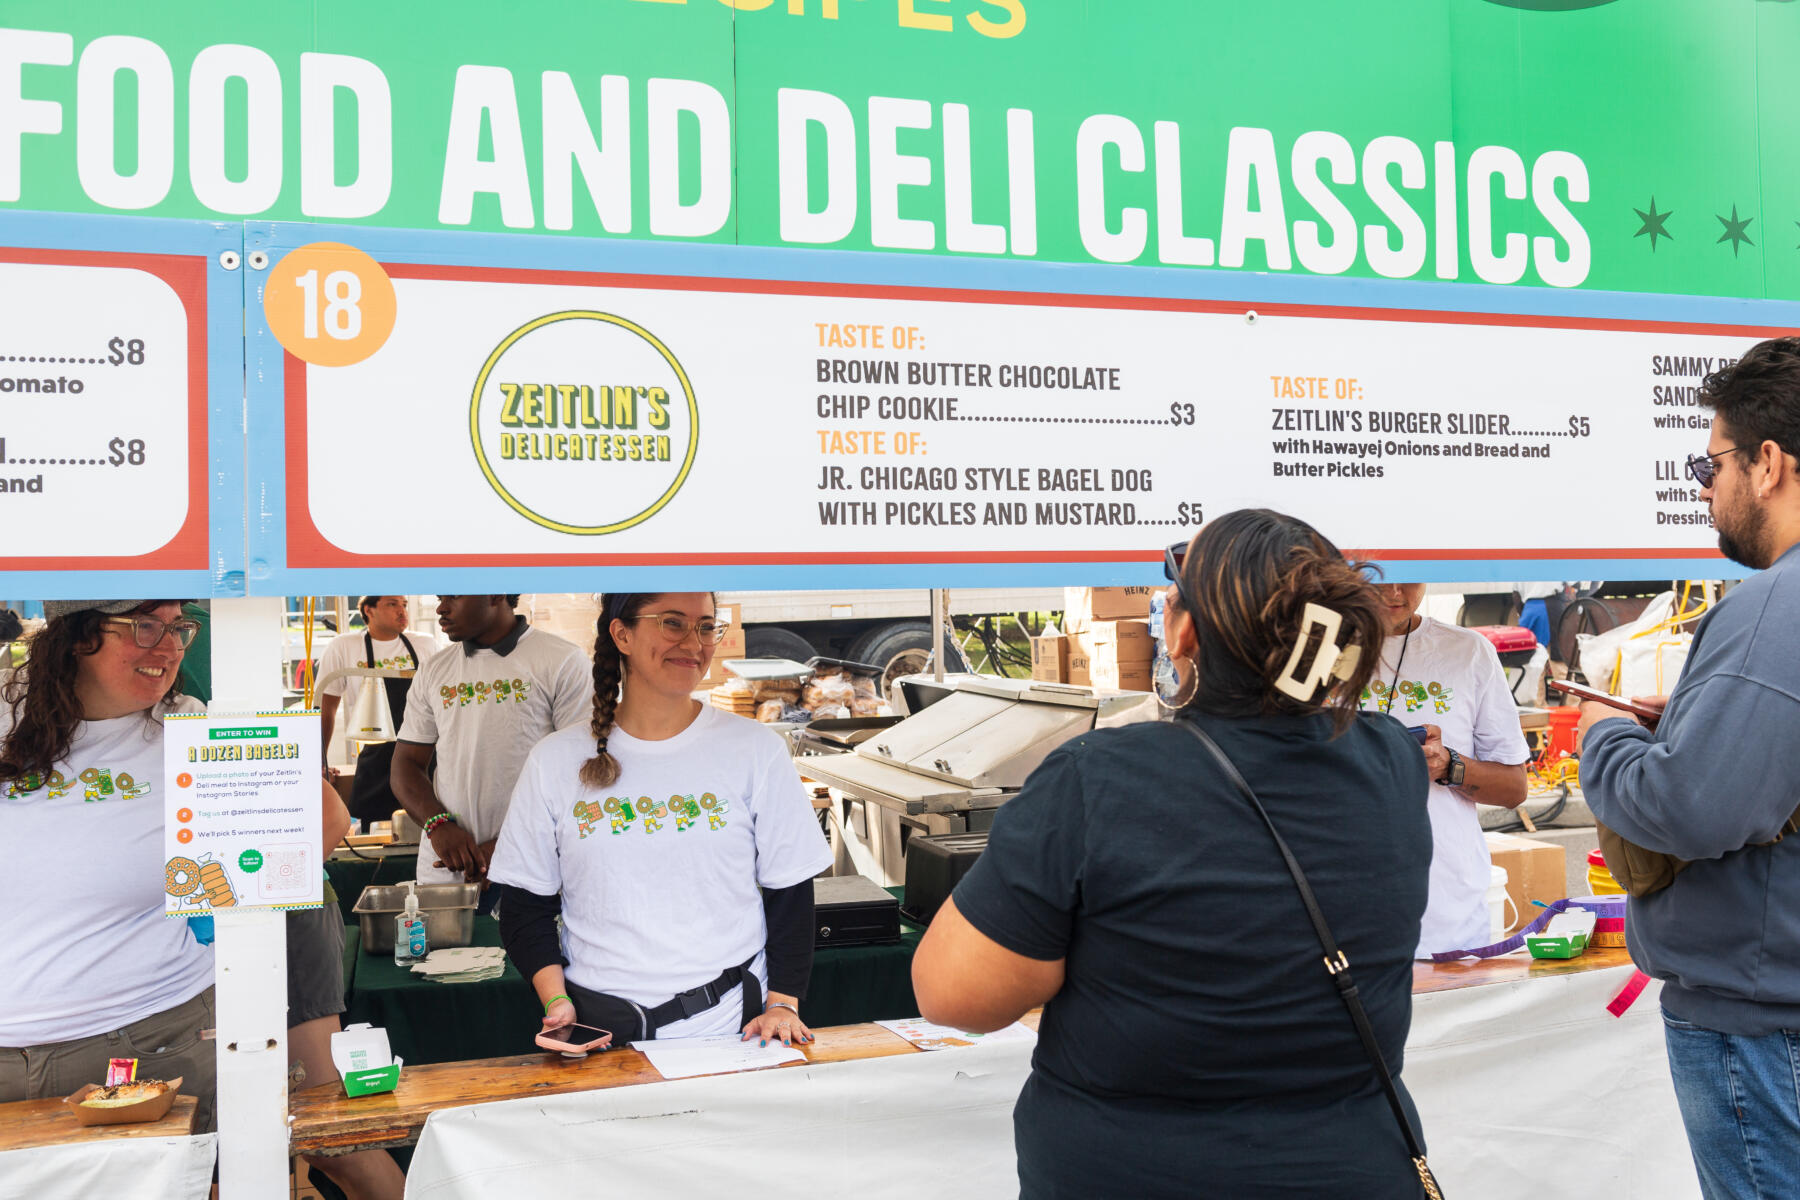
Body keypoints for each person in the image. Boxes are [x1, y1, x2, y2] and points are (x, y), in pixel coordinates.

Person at [911, 510, 1433, 1199]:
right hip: (1356, 1166)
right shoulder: (1396, 759)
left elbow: (954, 994)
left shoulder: (1096, 778)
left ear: (1183, 632)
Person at [1577, 337, 1800, 1198]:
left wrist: (1605, 734)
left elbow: (1689, 807)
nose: (1705, 491)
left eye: (1708, 466)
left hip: (1762, 1027)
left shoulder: (1774, 608)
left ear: (1768, 463)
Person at [487, 592, 831, 1047]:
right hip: (601, 1032)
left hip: (729, 1029)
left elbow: (790, 890)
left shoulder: (754, 749)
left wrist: (783, 1002)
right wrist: (556, 1001)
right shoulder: (554, 760)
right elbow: (524, 906)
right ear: (622, 634)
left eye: (707, 626)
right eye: (673, 623)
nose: (694, 642)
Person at [0, 600, 217, 1130]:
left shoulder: (191, 727)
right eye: (144, 627)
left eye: (178, 628)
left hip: (147, 1045)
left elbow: (321, 817)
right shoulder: (8, 715)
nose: (167, 647)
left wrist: (211, 899)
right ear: (79, 635)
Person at [1359, 582, 1529, 956]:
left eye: (1409, 577)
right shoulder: (1307, 653)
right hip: (1338, 915)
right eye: (1377, 578)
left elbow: (1515, 789)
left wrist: (1450, 767)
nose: (1394, 592)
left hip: (1447, 913)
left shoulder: (1468, 651)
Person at [392, 595, 589, 898]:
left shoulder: (562, 660)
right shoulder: (434, 669)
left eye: (454, 597)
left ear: (495, 592)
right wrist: (438, 825)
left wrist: (510, 843)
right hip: (447, 875)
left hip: (533, 868)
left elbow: (582, 771)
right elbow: (405, 765)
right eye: (440, 598)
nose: (441, 608)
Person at [285, 776, 406, 1200]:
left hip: (284, 922)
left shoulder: (202, 714)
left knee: (330, 1136)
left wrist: (260, 897)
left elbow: (333, 814)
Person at [316, 596, 441, 761]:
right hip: (373, 753)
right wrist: (319, 763)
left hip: (424, 752)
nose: (402, 611)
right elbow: (326, 709)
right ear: (368, 610)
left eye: (404, 604)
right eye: (392, 604)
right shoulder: (343, 646)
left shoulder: (426, 644)